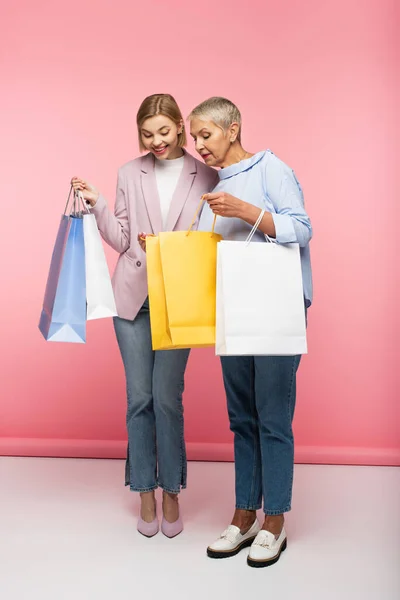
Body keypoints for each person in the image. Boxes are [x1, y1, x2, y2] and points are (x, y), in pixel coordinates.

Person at [71, 93, 218, 538]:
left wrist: (169, 246)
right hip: (133, 299)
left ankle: (171, 488)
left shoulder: (207, 174)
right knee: (139, 399)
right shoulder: (127, 173)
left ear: (179, 126)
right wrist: (97, 202)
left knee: (167, 399)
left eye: (164, 131)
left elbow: (210, 238)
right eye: (146, 134)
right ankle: (144, 490)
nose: (155, 141)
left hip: (179, 299)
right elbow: (119, 239)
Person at [188, 97, 312, 567]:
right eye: (195, 137)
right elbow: (211, 253)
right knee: (241, 417)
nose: (199, 146)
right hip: (234, 311)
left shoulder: (271, 168)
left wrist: (245, 209)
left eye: (206, 135)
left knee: (273, 417)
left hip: (278, 309)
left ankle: (275, 520)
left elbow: (302, 229)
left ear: (233, 129)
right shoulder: (215, 185)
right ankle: (244, 515)